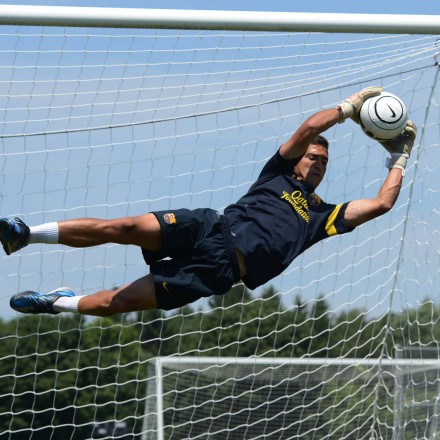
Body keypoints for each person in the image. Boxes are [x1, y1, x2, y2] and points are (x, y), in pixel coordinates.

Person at [5, 86, 417, 317]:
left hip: (217, 271)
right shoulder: (276, 173)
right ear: (299, 159)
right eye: (313, 157)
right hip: (208, 227)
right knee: (127, 228)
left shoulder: (322, 217)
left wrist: (400, 157)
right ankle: (27, 234)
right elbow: (310, 126)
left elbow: (381, 204)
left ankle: (57, 302)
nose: (317, 165)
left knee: (122, 302)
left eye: (324, 163)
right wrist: (349, 108)